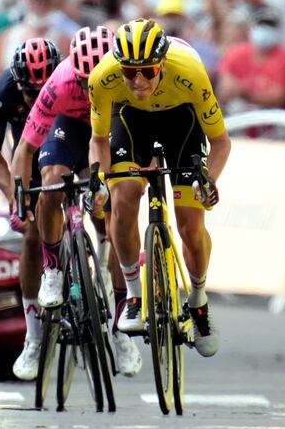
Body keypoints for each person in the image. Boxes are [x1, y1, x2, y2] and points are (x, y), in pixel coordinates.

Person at [88, 18, 231, 358]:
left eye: (148, 72)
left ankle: (198, 302)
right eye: (129, 72)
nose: (137, 80)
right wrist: (100, 180)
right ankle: (135, 295)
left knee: (190, 225)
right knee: (122, 200)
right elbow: (97, 140)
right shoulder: (103, 78)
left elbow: (221, 142)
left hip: (181, 119)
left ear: (162, 64)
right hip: (131, 119)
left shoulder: (191, 73)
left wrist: (208, 180)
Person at [11, 26, 143, 377]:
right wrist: (19, 195)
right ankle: (53, 268)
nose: (90, 88)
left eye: (97, 78)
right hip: (70, 126)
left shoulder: (127, 79)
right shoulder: (60, 83)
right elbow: (24, 149)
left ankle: (120, 330)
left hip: (112, 125)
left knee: (120, 215)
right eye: (85, 80)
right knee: (51, 180)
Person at [0, 37, 61, 380]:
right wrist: (13, 196)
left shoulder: (70, 83)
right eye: (31, 93)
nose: (38, 98)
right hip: (25, 152)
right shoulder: (3, 92)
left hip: (64, 142)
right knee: (31, 233)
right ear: (18, 84)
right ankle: (33, 331)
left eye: (44, 91)